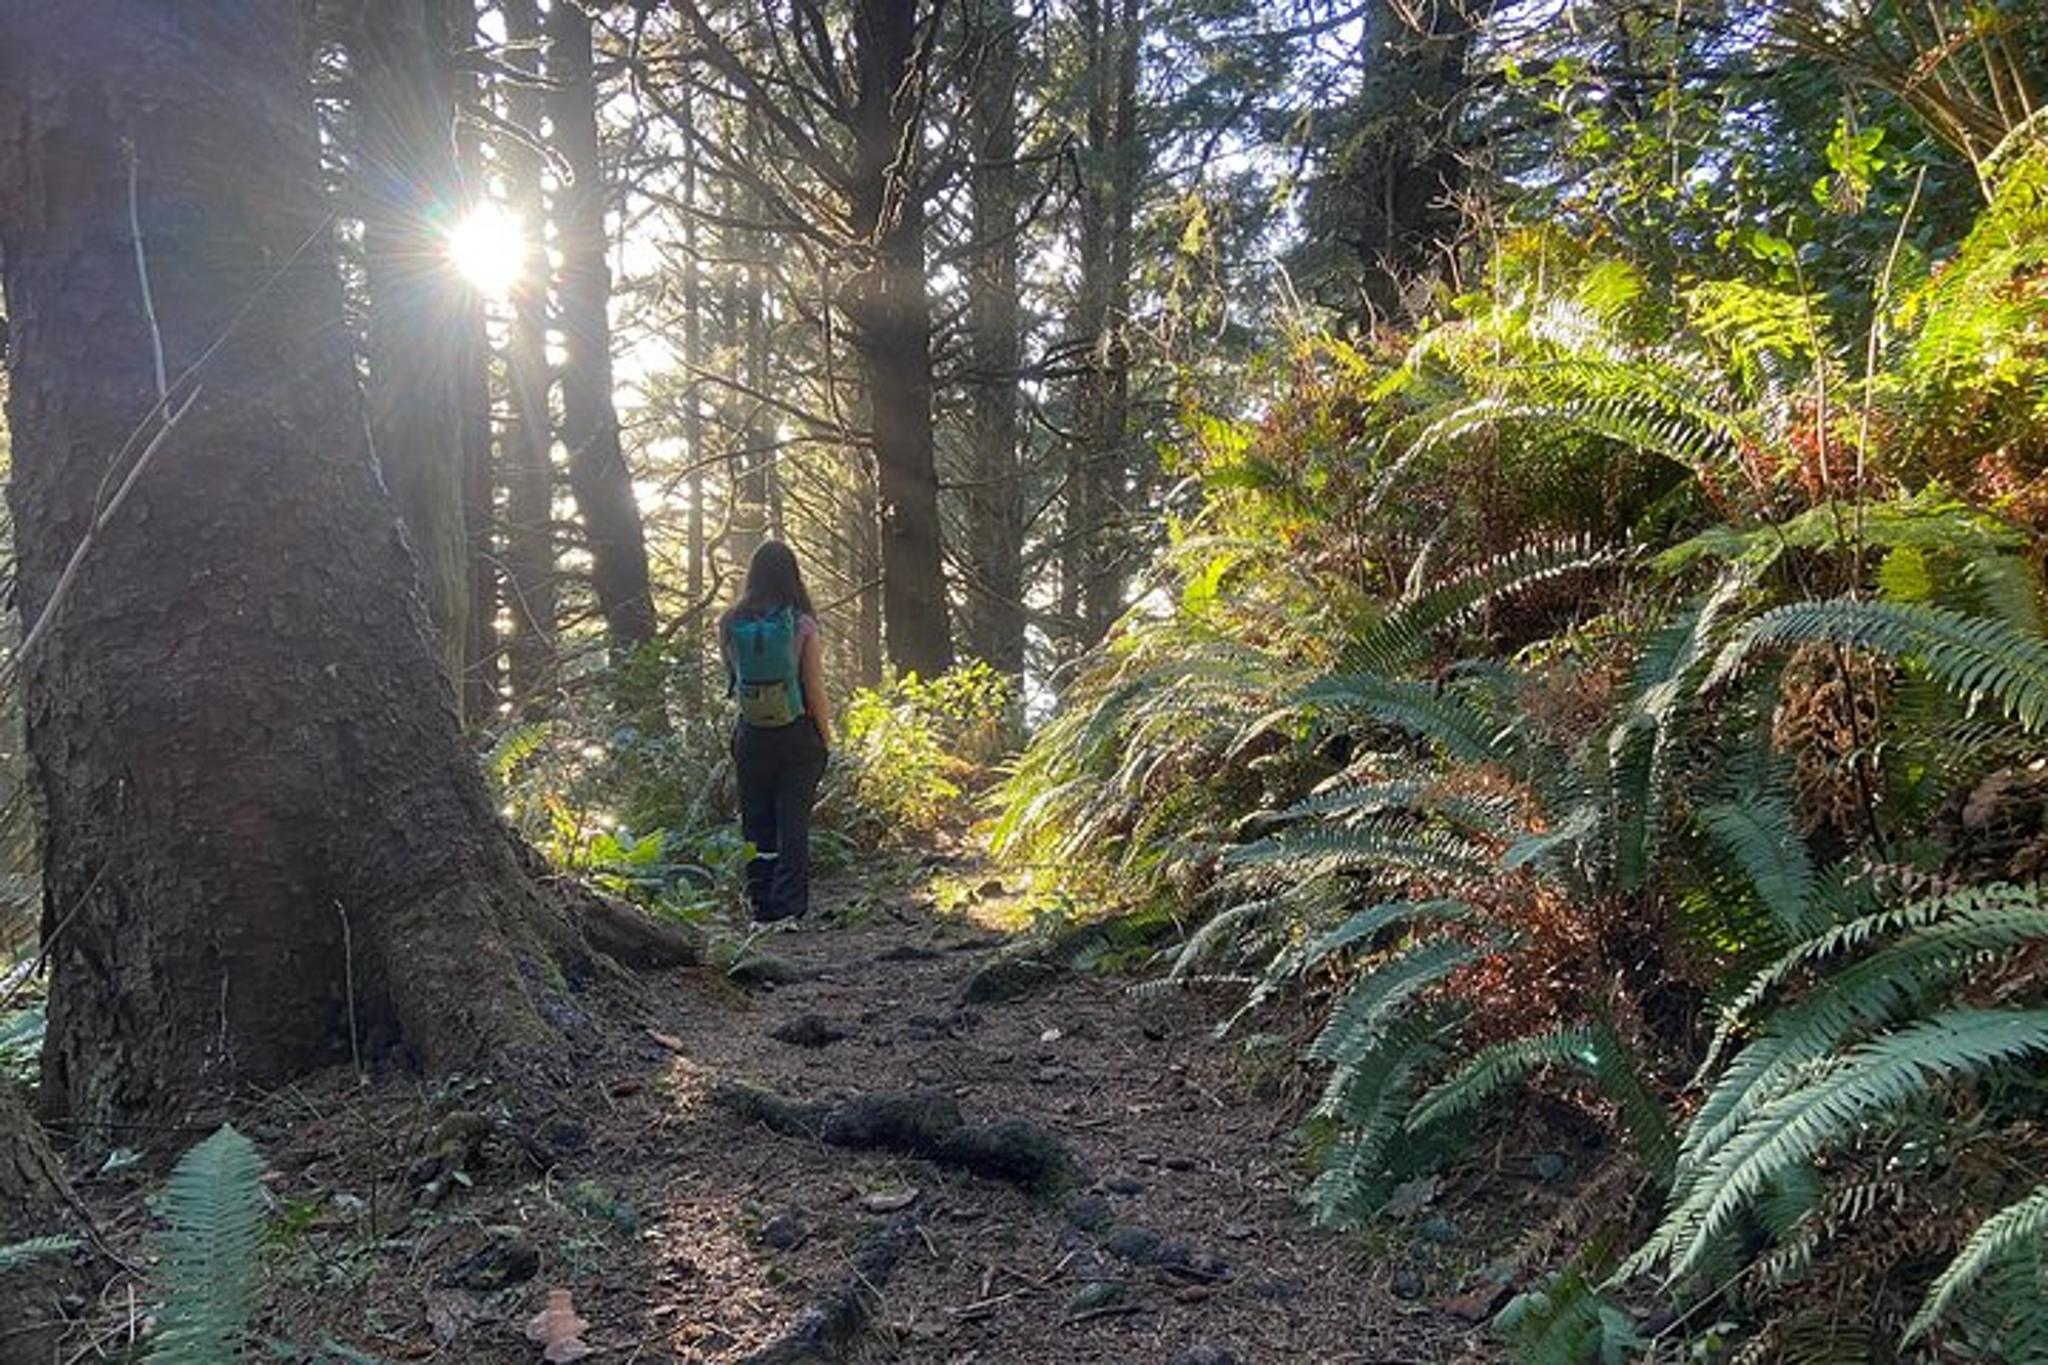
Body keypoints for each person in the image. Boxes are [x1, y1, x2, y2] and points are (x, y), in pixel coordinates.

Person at [720, 540, 833, 922]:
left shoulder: (731, 622)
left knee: (756, 820)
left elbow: (733, 678)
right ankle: (788, 910)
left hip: (751, 733)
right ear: (792, 575)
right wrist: (824, 735)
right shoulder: (801, 623)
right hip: (798, 733)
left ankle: (760, 905)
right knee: (793, 821)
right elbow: (814, 687)